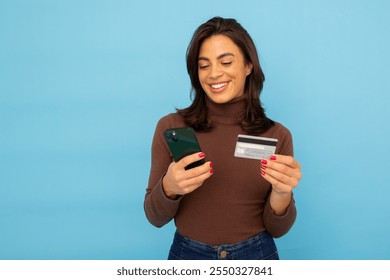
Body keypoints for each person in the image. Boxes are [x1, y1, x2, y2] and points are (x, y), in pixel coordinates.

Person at [144, 16, 302, 260]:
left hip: (256, 255)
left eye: (226, 62)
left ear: (248, 65)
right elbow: (154, 217)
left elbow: (278, 229)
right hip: (189, 255)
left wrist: (282, 193)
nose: (214, 74)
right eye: (203, 65)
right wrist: (169, 187)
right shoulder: (171, 127)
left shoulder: (277, 135)